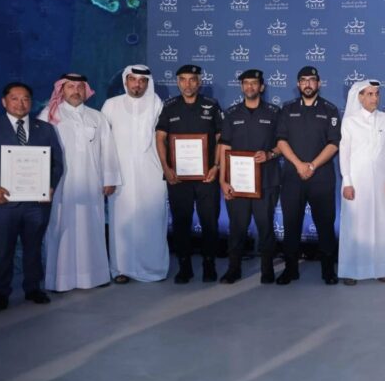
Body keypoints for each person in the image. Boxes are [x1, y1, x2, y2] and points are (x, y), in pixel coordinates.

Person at [0, 82, 64, 310]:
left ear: (31, 102)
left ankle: (33, 288)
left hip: (37, 202)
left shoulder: (45, 129)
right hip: (4, 202)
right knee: (4, 249)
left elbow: (57, 164)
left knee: (34, 247)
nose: (20, 103)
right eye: (14, 98)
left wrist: (50, 187)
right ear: (4, 102)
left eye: (25, 99)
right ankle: (0, 293)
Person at [40, 73, 121, 292]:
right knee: (60, 228)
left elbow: (108, 150)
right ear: (61, 90)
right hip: (59, 186)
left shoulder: (97, 117)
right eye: (70, 87)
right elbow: (39, 152)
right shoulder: (48, 115)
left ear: (86, 90)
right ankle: (60, 280)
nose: (75, 91)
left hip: (91, 183)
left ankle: (93, 277)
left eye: (79, 87)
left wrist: (110, 178)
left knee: (91, 228)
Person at [156, 64, 223, 283]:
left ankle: (209, 265)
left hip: (207, 176)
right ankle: (184, 267)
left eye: (192, 79)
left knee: (209, 222)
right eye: (183, 79)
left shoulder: (211, 105)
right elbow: (160, 138)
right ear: (177, 82)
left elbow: (221, 139)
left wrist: (216, 166)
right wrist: (166, 168)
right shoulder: (170, 107)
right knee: (181, 222)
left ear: (199, 82)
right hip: (178, 178)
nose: (188, 84)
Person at [102, 65, 168, 284]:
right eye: (133, 79)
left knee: (152, 220)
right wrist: (107, 175)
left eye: (142, 80)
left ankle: (153, 268)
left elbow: (164, 140)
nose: (137, 84)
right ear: (125, 81)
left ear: (148, 83)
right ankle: (121, 269)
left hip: (152, 174)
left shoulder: (157, 104)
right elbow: (104, 143)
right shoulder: (111, 105)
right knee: (122, 222)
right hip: (120, 175)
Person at [275, 66, 341, 285]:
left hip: (321, 177)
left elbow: (334, 143)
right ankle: (290, 270)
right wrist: (299, 164)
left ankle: (328, 271)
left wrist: (311, 166)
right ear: (298, 84)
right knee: (291, 224)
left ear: (318, 83)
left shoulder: (330, 110)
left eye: (312, 80)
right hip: (293, 177)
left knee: (325, 224)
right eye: (303, 80)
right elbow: (281, 141)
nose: (308, 84)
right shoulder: (287, 109)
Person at [218, 69, 282, 284]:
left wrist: (270, 154)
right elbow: (224, 147)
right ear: (241, 87)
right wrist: (222, 180)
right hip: (238, 184)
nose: (250, 87)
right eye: (246, 83)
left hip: (267, 182)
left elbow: (283, 144)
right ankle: (233, 269)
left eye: (254, 83)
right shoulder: (231, 113)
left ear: (261, 87)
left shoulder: (274, 113)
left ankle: (267, 270)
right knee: (237, 228)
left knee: (266, 227)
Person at [337, 80, 385, 284]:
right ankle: (352, 270)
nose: (374, 98)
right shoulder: (350, 121)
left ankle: (382, 268)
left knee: (381, 223)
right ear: (360, 97)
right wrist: (347, 181)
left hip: (381, 182)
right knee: (355, 224)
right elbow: (344, 154)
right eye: (370, 94)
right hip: (355, 182)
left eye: (377, 94)